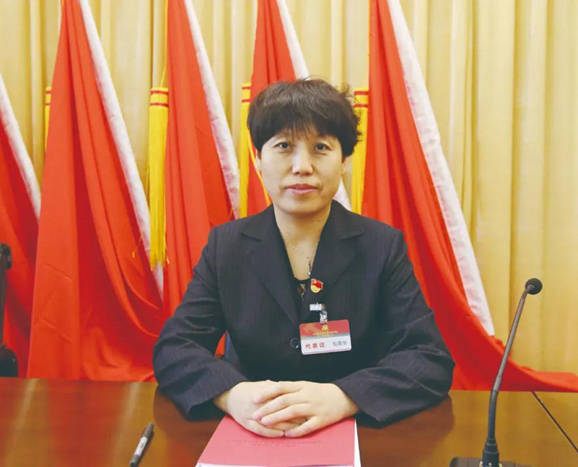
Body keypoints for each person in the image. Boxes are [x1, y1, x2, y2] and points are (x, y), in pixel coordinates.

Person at [153, 79, 454, 438]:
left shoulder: (381, 245)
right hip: (253, 428)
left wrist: (345, 397)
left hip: (352, 432)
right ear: (258, 157)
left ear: (344, 161)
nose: (302, 166)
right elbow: (175, 348)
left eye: (320, 148)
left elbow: (428, 358)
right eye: (284, 146)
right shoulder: (227, 246)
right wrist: (232, 395)